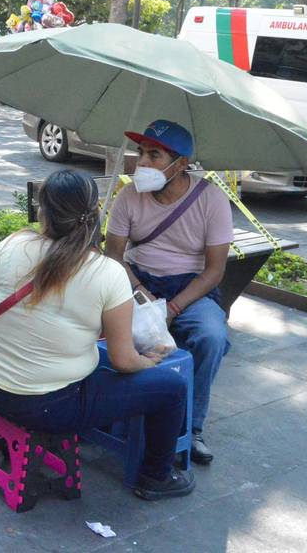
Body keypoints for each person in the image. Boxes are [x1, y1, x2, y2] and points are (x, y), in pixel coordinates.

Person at [0, 168, 194, 501]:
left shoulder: (14, 243)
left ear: (42, 209)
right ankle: (156, 477)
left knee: (92, 371)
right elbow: (123, 360)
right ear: (94, 212)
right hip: (48, 408)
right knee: (172, 387)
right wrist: (149, 362)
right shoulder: (107, 273)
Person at [104, 119, 233, 466]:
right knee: (101, 329)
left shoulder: (212, 199)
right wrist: (139, 290)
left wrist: (173, 307)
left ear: (181, 165)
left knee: (211, 336)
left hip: (189, 288)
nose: (142, 163)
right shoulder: (129, 195)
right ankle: (110, 413)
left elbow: (214, 271)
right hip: (136, 280)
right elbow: (113, 255)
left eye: (154, 155)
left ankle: (191, 429)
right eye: (141, 153)